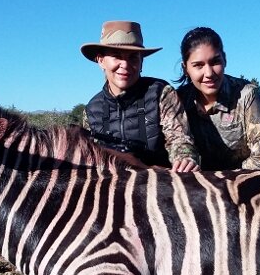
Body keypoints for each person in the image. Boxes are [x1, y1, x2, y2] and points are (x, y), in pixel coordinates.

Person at [80, 21, 199, 172]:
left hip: (159, 185)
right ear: (101, 60)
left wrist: (185, 158)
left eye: (133, 57)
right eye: (116, 56)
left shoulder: (161, 93)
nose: (125, 65)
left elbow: (180, 139)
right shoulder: (91, 110)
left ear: (141, 62)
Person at [176, 27, 260, 171]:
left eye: (215, 62)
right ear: (185, 69)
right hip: (206, 187)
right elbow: (179, 147)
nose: (208, 73)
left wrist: (223, 182)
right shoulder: (178, 101)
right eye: (198, 65)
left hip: (255, 182)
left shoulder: (247, 95)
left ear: (224, 60)